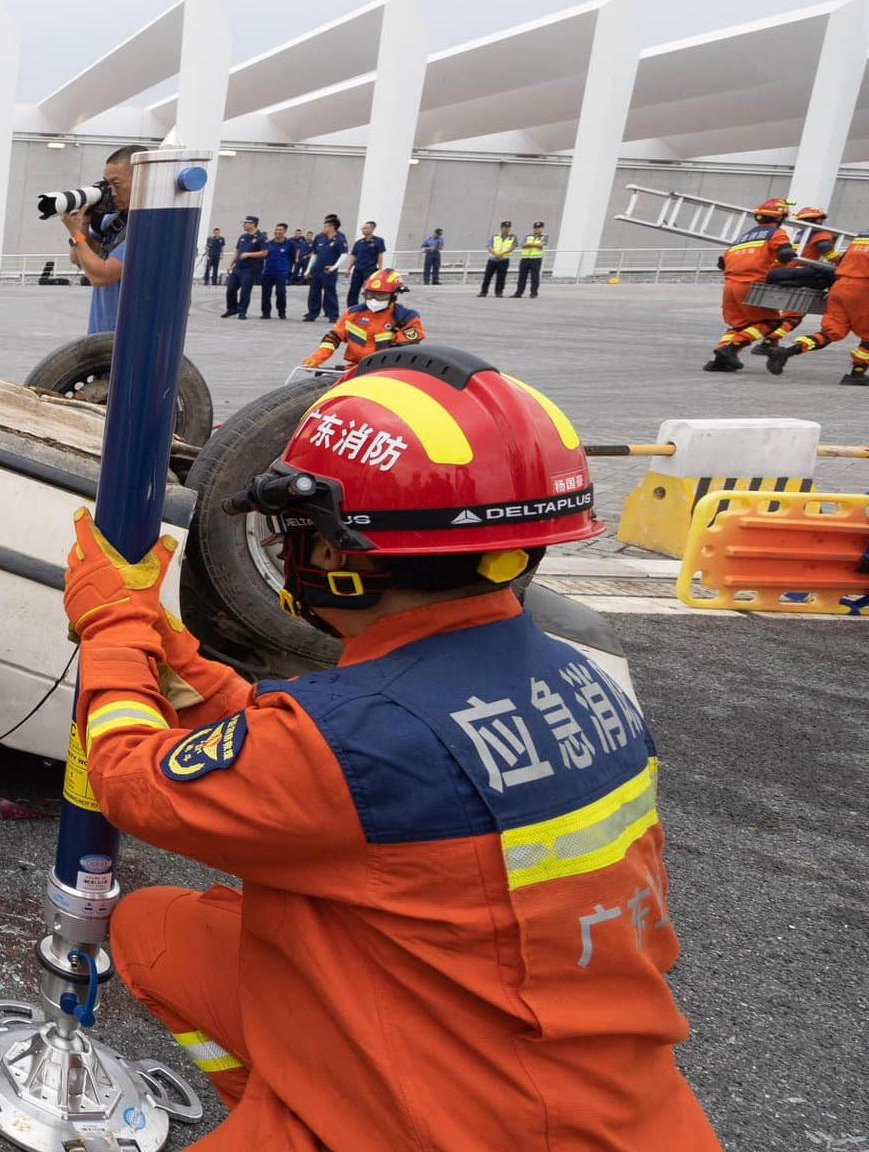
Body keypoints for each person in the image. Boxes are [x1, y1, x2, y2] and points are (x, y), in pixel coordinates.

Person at [62, 345, 724, 1150]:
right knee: (161, 930)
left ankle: (317, 1124)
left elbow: (132, 781)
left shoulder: (354, 738)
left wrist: (113, 628)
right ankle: (297, 1099)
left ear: (338, 555)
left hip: (463, 1126)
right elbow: (333, 759)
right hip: (614, 1102)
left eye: (296, 532)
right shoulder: (580, 682)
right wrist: (183, 662)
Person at [704, 198, 797, 372]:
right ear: (780, 218)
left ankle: (719, 361)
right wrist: (789, 258)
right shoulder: (776, 233)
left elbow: (722, 263)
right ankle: (730, 349)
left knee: (738, 325)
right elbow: (785, 253)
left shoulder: (743, 238)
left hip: (730, 286)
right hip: (750, 285)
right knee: (771, 322)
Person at [766, 229, 868, 385]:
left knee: (829, 333)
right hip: (863, 290)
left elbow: (842, 261)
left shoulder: (860, 238)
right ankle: (856, 374)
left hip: (840, 286)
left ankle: (786, 352)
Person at [63, 145, 141, 334]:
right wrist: (83, 223)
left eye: (117, 184)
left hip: (127, 338)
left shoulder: (145, 229)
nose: (111, 192)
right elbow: (77, 258)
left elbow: (101, 276)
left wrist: (77, 235)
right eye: (107, 184)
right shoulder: (113, 222)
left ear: (141, 179)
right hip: (100, 334)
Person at [301, 268, 425, 369]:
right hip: (355, 368)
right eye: (370, 294)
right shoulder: (353, 313)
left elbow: (403, 354)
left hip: (388, 372)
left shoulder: (407, 319)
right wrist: (317, 358)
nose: (374, 300)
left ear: (395, 295)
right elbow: (333, 338)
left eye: (381, 295)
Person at [763, 206, 839, 351]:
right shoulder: (820, 234)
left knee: (791, 313)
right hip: (805, 276)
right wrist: (844, 261)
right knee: (794, 316)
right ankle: (770, 340)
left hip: (789, 273)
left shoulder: (800, 235)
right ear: (818, 220)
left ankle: (771, 340)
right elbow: (829, 254)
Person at [304, 214, 348, 322]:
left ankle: (333, 315)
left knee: (330, 292)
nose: (323, 228)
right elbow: (314, 254)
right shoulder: (319, 237)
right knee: (314, 292)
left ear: (332, 226)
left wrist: (334, 267)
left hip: (329, 271)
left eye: (325, 226)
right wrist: (308, 269)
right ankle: (312, 314)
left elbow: (344, 254)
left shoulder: (340, 239)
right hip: (317, 270)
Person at [222, 215, 268, 319]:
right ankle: (232, 309)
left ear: (253, 224)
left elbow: (264, 253)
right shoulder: (243, 237)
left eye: (246, 223)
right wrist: (230, 264)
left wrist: (249, 254)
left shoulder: (262, 238)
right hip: (238, 268)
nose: (244, 225)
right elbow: (237, 252)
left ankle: (242, 311)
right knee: (231, 290)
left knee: (245, 291)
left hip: (250, 269)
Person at [345, 220, 386, 309]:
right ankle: (352, 309)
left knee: (369, 291)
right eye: (362, 228)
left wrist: (380, 269)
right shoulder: (359, 242)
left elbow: (380, 255)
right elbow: (354, 256)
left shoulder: (378, 241)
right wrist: (348, 269)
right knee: (353, 290)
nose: (363, 230)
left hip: (370, 270)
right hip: (358, 270)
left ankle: (369, 309)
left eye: (365, 228)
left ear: (372, 229)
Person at [260, 222, 295, 318]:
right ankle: (266, 313)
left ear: (285, 231)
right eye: (276, 230)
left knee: (280, 292)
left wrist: (288, 271)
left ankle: (281, 312)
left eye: (280, 230)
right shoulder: (268, 243)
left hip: (281, 273)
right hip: (268, 272)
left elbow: (292, 258)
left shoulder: (290, 244)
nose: (277, 231)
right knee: (266, 293)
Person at [479, 221, 516, 297]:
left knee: (501, 277)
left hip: (504, 259)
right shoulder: (495, 236)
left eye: (508, 227)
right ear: (501, 228)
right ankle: (483, 291)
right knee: (487, 276)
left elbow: (512, 248)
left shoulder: (513, 237)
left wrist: (502, 254)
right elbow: (489, 247)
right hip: (493, 259)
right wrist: (496, 254)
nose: (507, 229)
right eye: (505, 227)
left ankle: (499, 292)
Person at [514, 222, 548, 298]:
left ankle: (533, 293)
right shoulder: (528, 236)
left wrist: (530, 244)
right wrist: (534, 245)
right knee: (522, 277)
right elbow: (522, 245)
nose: (537, 229)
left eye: (539, 228)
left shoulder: (544, 236)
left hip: (536, 259)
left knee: (535, 277)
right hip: (525, 258)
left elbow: (542, 245)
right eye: (535, 228)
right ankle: (519, 293)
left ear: (542, 228)